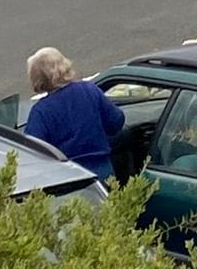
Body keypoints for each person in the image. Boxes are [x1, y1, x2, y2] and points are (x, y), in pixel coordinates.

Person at [23, 47, 124, 178]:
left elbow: (33, 151)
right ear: (64, 66)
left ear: (37, 78)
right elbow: (116, 122)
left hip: (68, 178)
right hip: (103, 170)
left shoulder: (41, 112)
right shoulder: (89, 90)